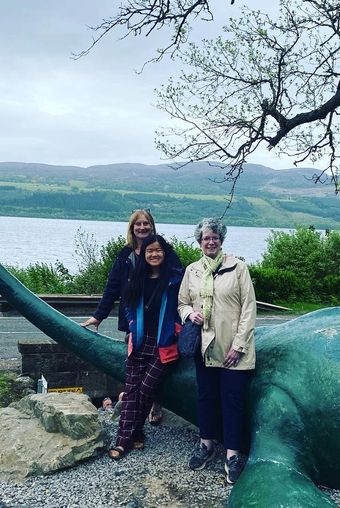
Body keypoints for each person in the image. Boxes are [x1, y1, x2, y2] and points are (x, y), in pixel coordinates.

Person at [81, 208, 180, 425]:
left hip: (162, 321)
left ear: (152, 226)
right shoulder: (125, 256)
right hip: (134, 321)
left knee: (159, 365)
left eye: (146, 224)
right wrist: (99, 316)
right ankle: (134, 416)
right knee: (136, 368)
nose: (142, 227)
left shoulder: (164, 251)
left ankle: (155, 403)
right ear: (132, 228)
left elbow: (180, 282)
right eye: (138, 224)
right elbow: (112, 288)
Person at [177, 218, 256, 485]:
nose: (210, 242)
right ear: (199, 242)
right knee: (206, 397)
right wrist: (190, 314)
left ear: (221, 240)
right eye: (205, 238)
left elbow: (249, 310)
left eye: (215, 238)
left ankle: (232, 455)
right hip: (205, 347)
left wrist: (239, 346)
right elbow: (182, 304)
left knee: (232, 401)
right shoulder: (192, 270)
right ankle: (206, 445)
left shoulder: (238, 268)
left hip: (233, 350)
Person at [107, 235, 183, 459]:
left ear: (164, 252)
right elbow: (128, 306)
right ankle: (125, 440)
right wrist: (132, 325)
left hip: (164, 342)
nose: (154, 254)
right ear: (144, 253)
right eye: (149, 250)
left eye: (158, 250)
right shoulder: (136, 278)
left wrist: (176, 330)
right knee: (131, 391)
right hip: (140, 339)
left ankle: (136, 433)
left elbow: (184, 305)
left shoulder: (175, 280)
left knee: (147, 388)